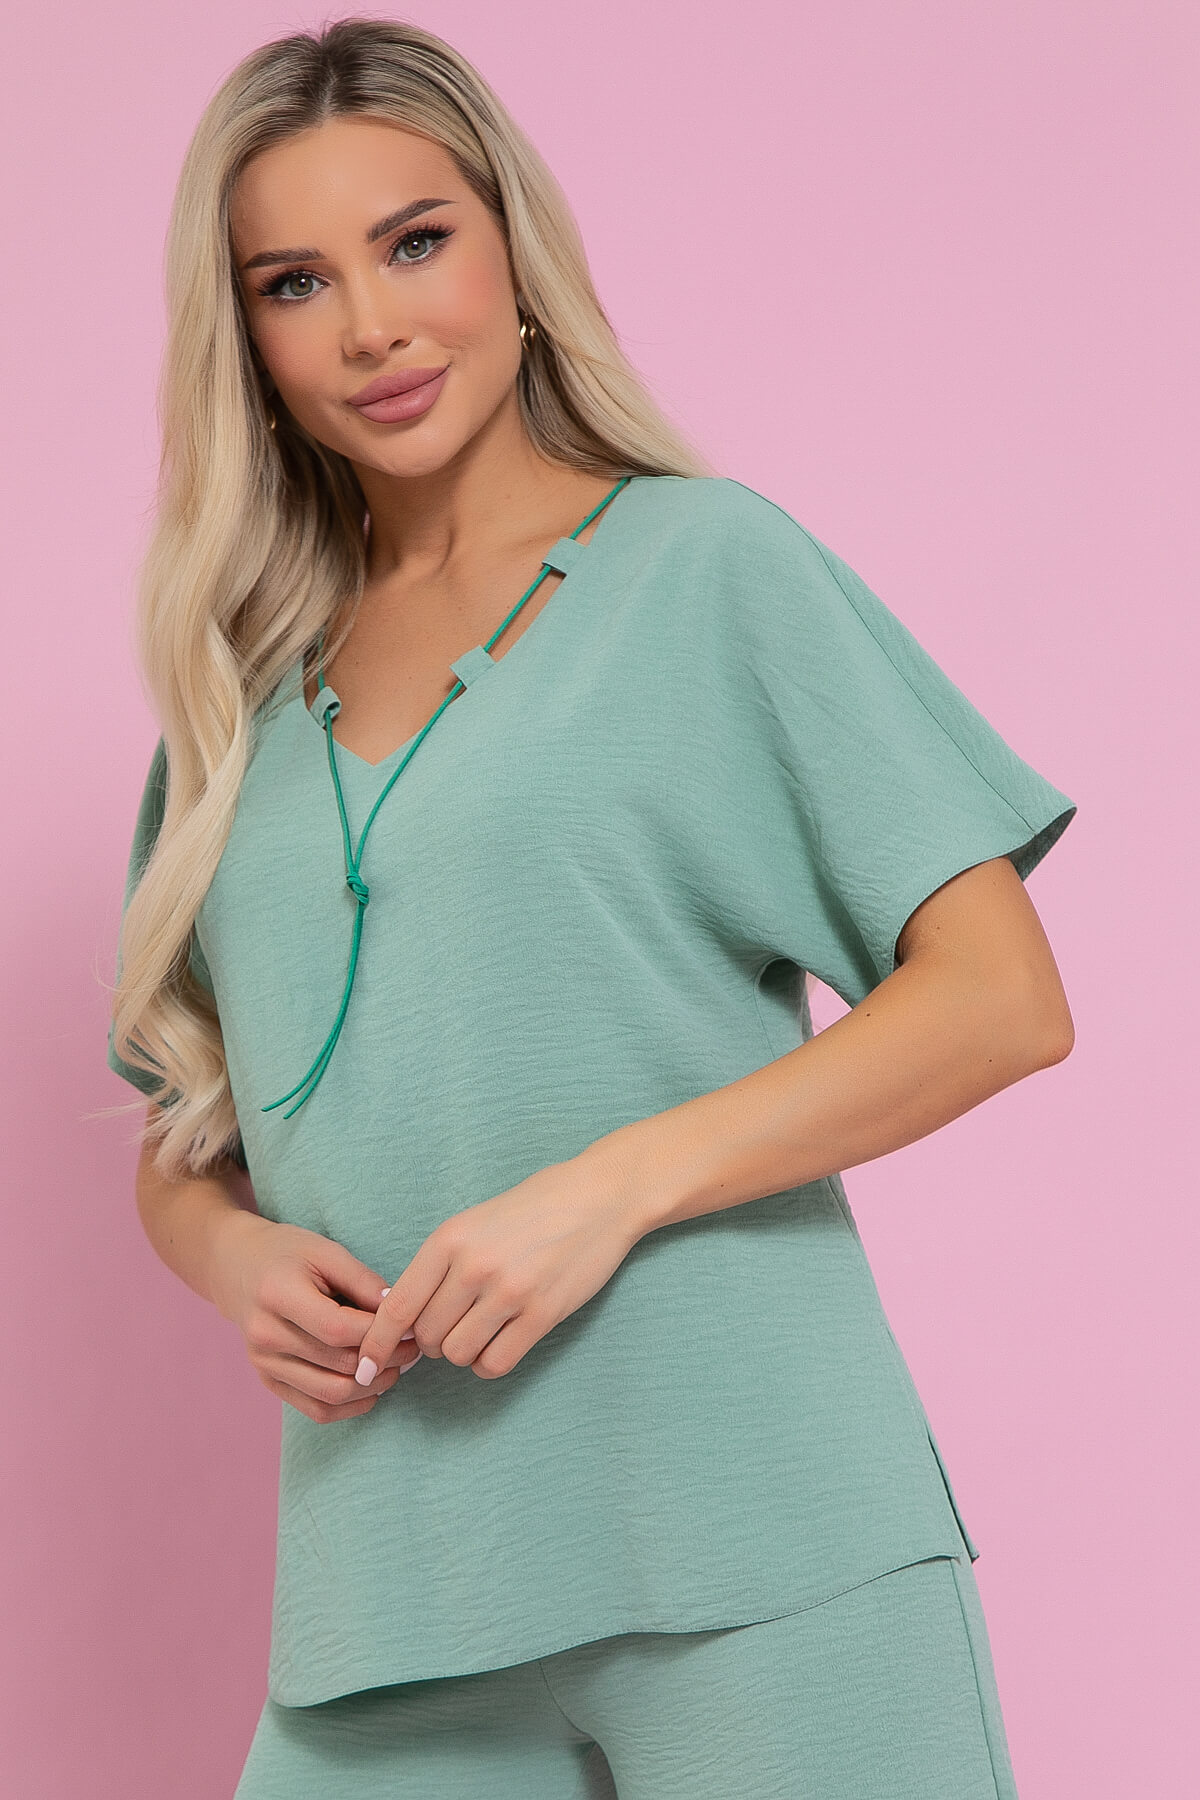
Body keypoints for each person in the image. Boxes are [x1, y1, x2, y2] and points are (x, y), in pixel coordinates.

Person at [104, 18, 1077, 1799]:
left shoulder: (709, 571)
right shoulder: (234, 695)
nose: (373, 324)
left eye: (416, 241)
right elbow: (188, 1134)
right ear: (244, 339)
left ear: (513, 249)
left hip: (760, 1552)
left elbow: (1001, 999)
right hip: (389, 1607)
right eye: (295, 282)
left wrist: (607, 1189)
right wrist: (236, 1259)